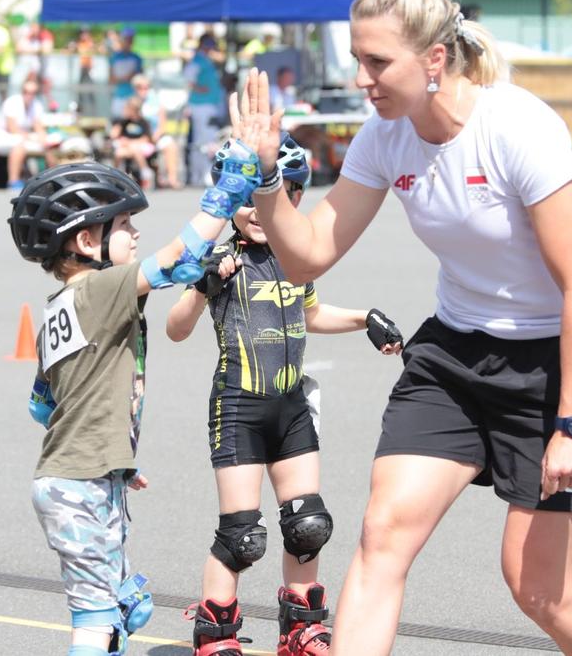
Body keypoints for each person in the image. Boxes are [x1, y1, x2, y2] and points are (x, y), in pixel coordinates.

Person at [231, 0, 572, 656]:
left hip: (558, 355)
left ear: (435, 60)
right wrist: (266, 181)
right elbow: (307, 257)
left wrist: (571, 424)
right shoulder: (385, 138)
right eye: (358, 59)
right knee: (383, 533)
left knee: (538, 589)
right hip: (453, 352)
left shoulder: (518, 127)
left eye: (378, 62)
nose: (363, 79)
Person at [7, 140, 267, 656]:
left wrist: (114, 457)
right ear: (85, 239)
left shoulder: (60, 307)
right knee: (96, 614)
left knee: (123, 606)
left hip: (85, 475)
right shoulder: (97, 290)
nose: (135, 232)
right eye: (124, 225)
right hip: (80, 483)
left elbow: (44, 404)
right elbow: (173, 259)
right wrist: (226, 192)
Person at [165, 134, 403, 656]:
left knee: (307, 524)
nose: (260, 210)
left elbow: (312, 315)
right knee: (241, 536)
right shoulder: (219, 257)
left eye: (283, 196)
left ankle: (300, 630)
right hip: (239, 408)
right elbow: (175, 328)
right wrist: (202, 285)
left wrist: (366, 317)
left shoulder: (296, 260)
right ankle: (216, 635)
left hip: (292, 408)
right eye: (246, 200)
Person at [0, 77, 55, 191]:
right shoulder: (12, 102)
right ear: (22, 91)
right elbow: (12, 128)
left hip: (22, 137)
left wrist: (44, 140)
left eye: (33, 93)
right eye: (26, 92)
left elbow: (38, 127)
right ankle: (13, 182)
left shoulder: (36, 105)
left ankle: (54, 179)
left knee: (48, 147)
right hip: (1, 136)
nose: (29, 95)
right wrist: (32, 137)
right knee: (19, 146)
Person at [185, 33, 226, 186]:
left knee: (207, 139)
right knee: (204, 140)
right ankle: (202, 175)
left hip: (209, 104)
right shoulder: (197, 60)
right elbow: (188, 79)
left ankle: (202, 174)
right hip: (202, 105)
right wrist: (200, 89)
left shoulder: (206, 61)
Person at [134, 73, 184, 189]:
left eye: (146, 87)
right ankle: (144, 179)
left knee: (170, 145)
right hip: (139, 138)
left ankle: (172, 179)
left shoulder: (155, 102)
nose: (143, 90)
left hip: (155, 137)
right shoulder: (132, 103)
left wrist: (154, 138)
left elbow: (162, 125)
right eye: (140, 87)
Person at [111, 93, 157, 189]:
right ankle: (114, 175)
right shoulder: (123, 122)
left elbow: (146, 138)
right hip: (127, 147)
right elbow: (114, 135)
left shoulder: (143, 122)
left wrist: (131, 142)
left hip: (141, 146)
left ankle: (145, 174)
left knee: (135, 149)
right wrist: (120, 123)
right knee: (118, 153)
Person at [108, 28, 144, 120]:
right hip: (119, 97)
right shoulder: (115, 58)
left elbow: (139, 78)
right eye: (127, 39)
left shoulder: (137, 58)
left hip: (132, 98)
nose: (129, 42)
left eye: (130, 39)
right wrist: (126, 78)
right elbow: (112, 79)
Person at [72, 29, 97, 112]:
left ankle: (93, 107)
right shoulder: (79, 44)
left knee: (90, 88)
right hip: (82, 68)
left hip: (89, 69)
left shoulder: (90, 43)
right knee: (80, 89)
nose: (83, 36)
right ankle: (80, 107)